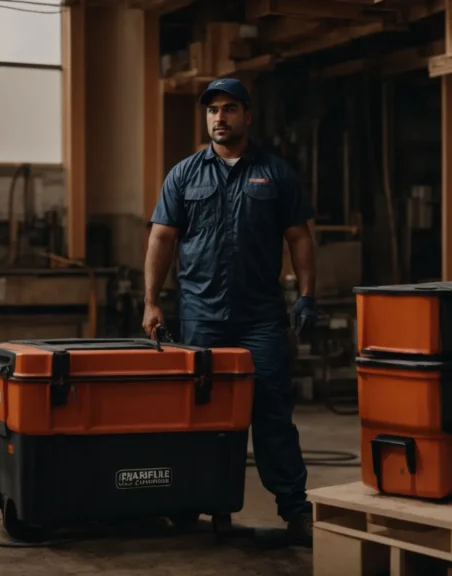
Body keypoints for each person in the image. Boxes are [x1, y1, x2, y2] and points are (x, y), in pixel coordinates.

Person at [142, 78, 318, 547]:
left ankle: (297, 512)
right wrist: (152, 301)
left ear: (247, 116)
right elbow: (161, 237)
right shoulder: (183, 175)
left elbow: (299, 236)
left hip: (261, 318)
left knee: (273, 415)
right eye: (213, 110)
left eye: (229, 108)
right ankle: (199, 503)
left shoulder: (275, 173)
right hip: (203, 318)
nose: (220, 117)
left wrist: (306, 294)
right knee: (203, 420)